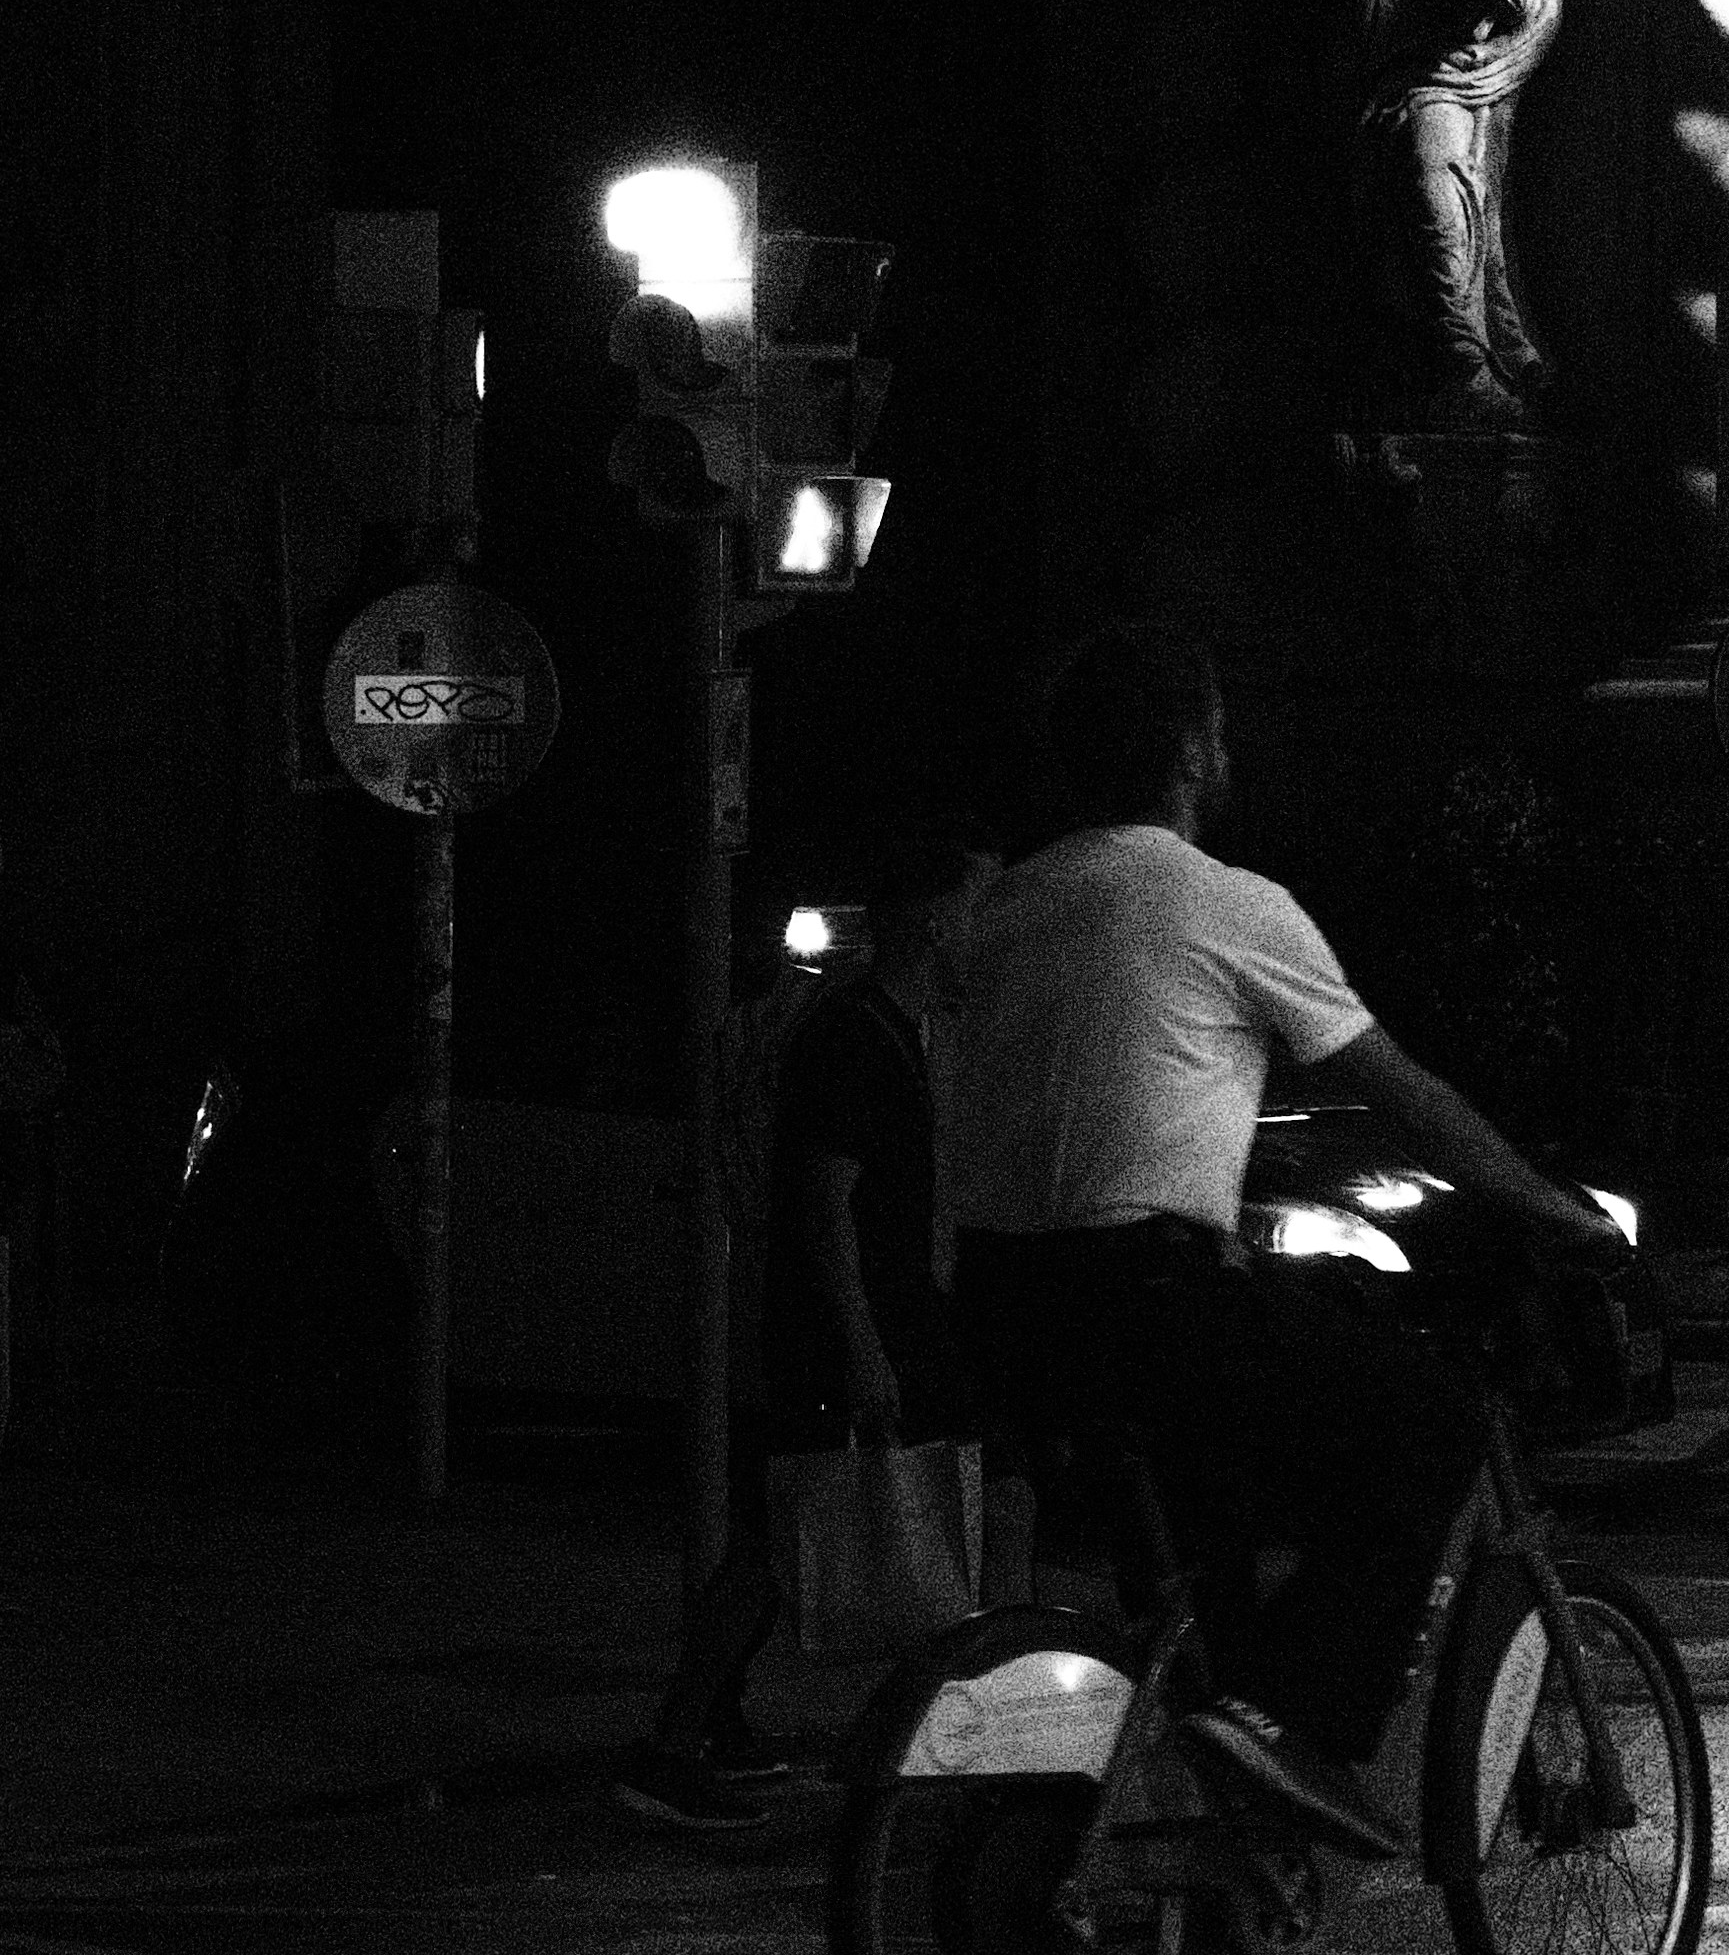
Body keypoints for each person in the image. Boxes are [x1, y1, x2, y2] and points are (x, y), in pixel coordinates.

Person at [951, 620, 1619, 1857]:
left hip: (1001, 1309)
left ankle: (1224, 1818)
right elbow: (1402, 1094)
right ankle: (1302, 1730)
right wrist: (1552, 1209)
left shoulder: (1008, 906)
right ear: (1190, 753)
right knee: (1430, 1428)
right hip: (1148, 1296)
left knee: (1215, 1561)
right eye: (1217, 732)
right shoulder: (1225, 903)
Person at [616, 820, 996, 1831]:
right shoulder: (856, 1033)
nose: (986, 932)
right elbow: (825, 1204)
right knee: (781, 1537)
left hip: (868, 1319)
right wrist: (863, 1346)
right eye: (975, 908)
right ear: (928, 921)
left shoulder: (892, 1028)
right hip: (840, 1329)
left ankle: (715, 1726)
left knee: (799, 1531)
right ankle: (674, 1745)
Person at [1206, 0, 1573, 435]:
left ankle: (1466, 364)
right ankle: (1445, 365)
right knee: (1387, 225)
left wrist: (1520, 4)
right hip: (1376, 73)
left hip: (1451, 76)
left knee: (1444, 194)